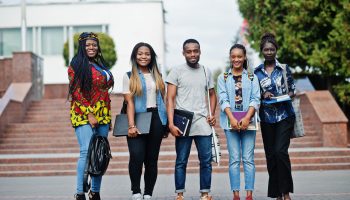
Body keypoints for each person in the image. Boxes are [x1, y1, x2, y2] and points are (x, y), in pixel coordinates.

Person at [166, 39, 217, 200]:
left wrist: (212, 113)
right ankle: (179, 194)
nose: (193, 54)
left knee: (206, 161)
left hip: (202, 122)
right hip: (183, 122)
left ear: (200, 51)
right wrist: (171, 123)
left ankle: (205, 193)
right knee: (181, 160)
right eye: (189, 51)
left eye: (196, 51)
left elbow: (212, 94)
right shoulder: (176, 71)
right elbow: (170, 99)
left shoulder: (205, 71)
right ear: (183, 53)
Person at [68, 32, 114, 200]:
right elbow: (76, 93)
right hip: (83, 112)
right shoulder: (76, 65)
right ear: (82, 47)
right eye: (88, 45)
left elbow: (104, 93)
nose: (91, 47)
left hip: (102, 114)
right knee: (86, 151)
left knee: (99, 153)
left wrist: (107, 117)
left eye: (94, 45)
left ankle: (95, 192)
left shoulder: (100, 65)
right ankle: (80, 193)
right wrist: (90, 114)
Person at [122, 42, 167, 200]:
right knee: (136, 155)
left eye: (147, 54)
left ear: (151, 56)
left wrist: (165, 123)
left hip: (156, 118)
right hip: (138, 117)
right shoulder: (129, 76)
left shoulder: (158, 75)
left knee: (151, 159)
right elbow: (130, 103)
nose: (143, 56)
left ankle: (148, 193)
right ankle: (136, 191)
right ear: (135, 56)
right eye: (140, 53)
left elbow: (163, 100)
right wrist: (131, 125)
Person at [254, 33, 296, 200]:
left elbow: (293, 90)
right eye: (266, 49)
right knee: (271, 155)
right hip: (266, 118)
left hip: (285, 115)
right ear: (262, 51)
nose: (269, 52)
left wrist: (285, 95)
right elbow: (254, 95)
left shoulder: (284, 69)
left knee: (280, 152)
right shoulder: (256, 72)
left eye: (272, 49)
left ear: (276, 50)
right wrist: (263, 95)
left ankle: (286, 192)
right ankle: (277, 194)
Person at [217, 44, 260, 200]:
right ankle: (236, 194)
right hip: (231, 123)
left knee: (248, 158)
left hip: (249, 121)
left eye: (239, 56)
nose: (236, 59)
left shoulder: (252, 77)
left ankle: (249, 194)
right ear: (230, 58)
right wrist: (232, 118)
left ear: (244, 57)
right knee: (234, 158)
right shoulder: (223, 78)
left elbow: (256, 99)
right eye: (233, 56)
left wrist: (247, 117)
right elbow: (223, 99)